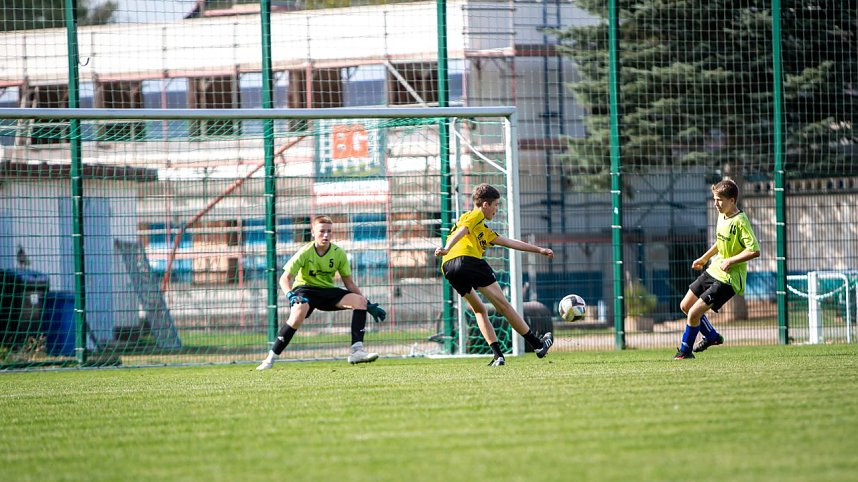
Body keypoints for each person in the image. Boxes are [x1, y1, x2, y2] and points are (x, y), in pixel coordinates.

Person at [434, 183, 555, 366]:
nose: (497, 209)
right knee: (504, 306)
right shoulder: (474, 215)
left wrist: (539, 250)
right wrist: (446, 247)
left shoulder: (482, 230)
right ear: (485, 204)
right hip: (467, 260)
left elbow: (509, 242)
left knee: (479, 309)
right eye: (496, 205)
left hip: (449, 267)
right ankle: (538, 345)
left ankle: (498, 356)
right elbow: (462, 230)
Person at [256, 215, 386, 370]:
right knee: (298, 312)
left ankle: (357, 352)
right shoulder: (305, 252)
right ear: (312, 232)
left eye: (329, 231)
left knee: (359, 301)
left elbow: (349, 283)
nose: (326, 235)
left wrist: (367, 304)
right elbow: (284, 279)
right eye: (322, 231)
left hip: (327, 291)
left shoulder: (338, 253)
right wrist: (290, 295)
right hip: (305, 290)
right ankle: (269, 359)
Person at [675, 179, 760, 360]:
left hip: (729, 278)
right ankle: (712, 336)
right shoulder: (722, 215)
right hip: (715, 270)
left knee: (694, 313)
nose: (716, 204)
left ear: (732, 200)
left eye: (719, 200)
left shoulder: (740, 221)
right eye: (714, 199)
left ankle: (685, 352)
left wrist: (731, 261)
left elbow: (754, 250)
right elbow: (721, 242)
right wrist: (704, 258)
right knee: (685, 306)